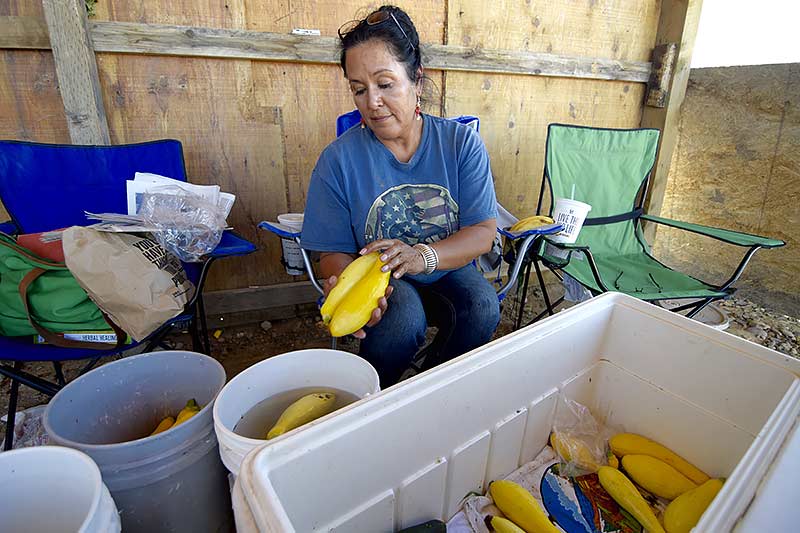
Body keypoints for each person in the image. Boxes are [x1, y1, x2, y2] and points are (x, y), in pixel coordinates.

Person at [301, 5, 501, 386]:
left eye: (385, 84)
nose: (371, 102)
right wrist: (345, 283)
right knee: (403, 315)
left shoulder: (460, 144)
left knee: (481, 306)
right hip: (385, 279)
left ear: (417, 80)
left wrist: (422, 256)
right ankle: (380, 397)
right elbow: (332, 252)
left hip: (446, 267)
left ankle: (432, 387)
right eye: (359, 89)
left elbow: (482, 230)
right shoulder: (338, 160)